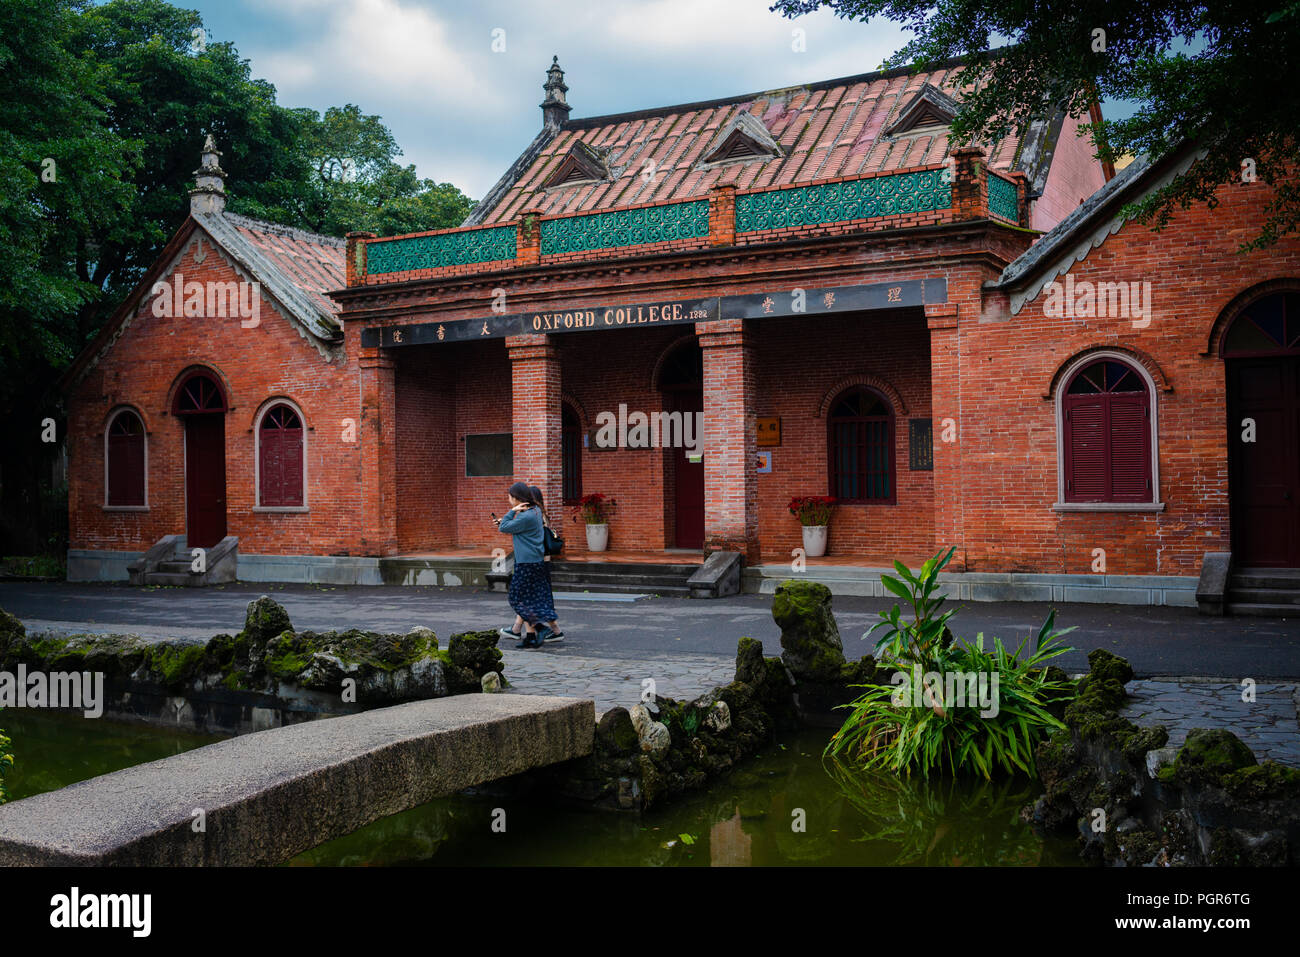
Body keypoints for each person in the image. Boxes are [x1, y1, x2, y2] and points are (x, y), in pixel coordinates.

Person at [492, 482, 557, 649]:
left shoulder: (525, 516)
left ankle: (540, 628)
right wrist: (513, 516)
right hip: (534, 561)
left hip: (526, 563)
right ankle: (530, 636)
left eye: (510, 497)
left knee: (516, 597)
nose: (509, 500)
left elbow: (504, 528)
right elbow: (514, 529)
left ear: (516, 498)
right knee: (527, 599)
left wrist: (511, 512)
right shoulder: (534, 511)